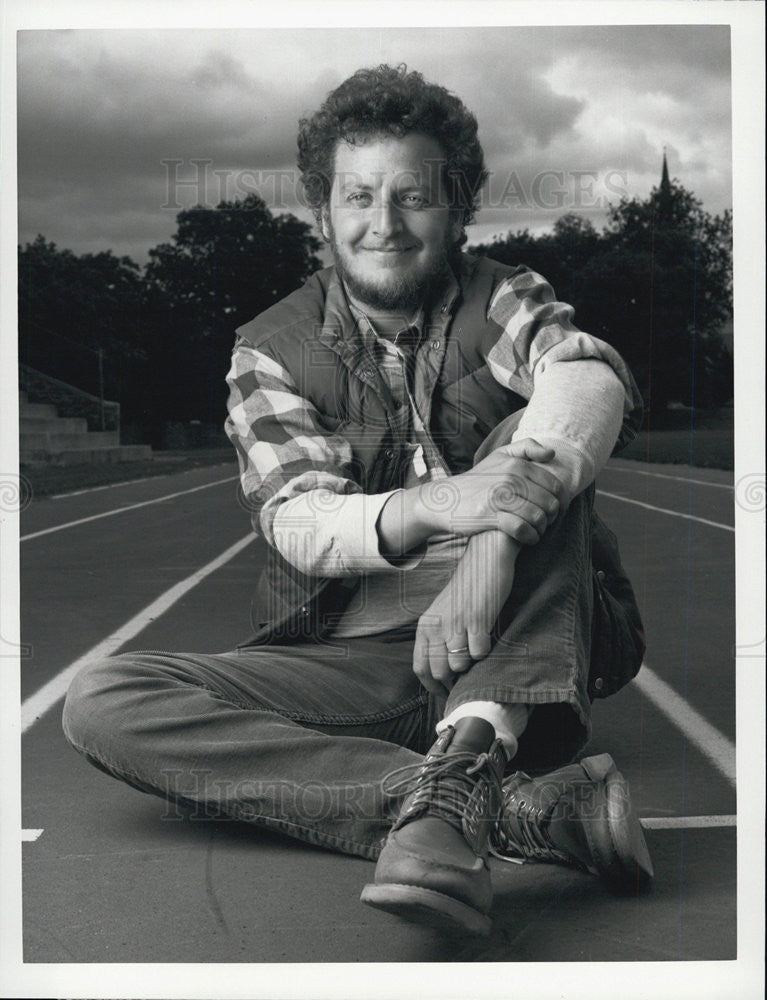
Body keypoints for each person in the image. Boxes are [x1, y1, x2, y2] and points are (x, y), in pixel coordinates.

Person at [62, 64, 653, 937]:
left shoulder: (503, 296)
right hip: (355, 661)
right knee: (103, 697)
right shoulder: (268, 346)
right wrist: (443, 508)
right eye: (357, 197)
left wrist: (492, 542)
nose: (383, 224)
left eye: (412, 196)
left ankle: (478, 736)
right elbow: (299, 519)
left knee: (536, 433)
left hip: (518, 656)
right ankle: (479, 806)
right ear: (324, 210)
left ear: (455, 208)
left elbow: (584, 378)